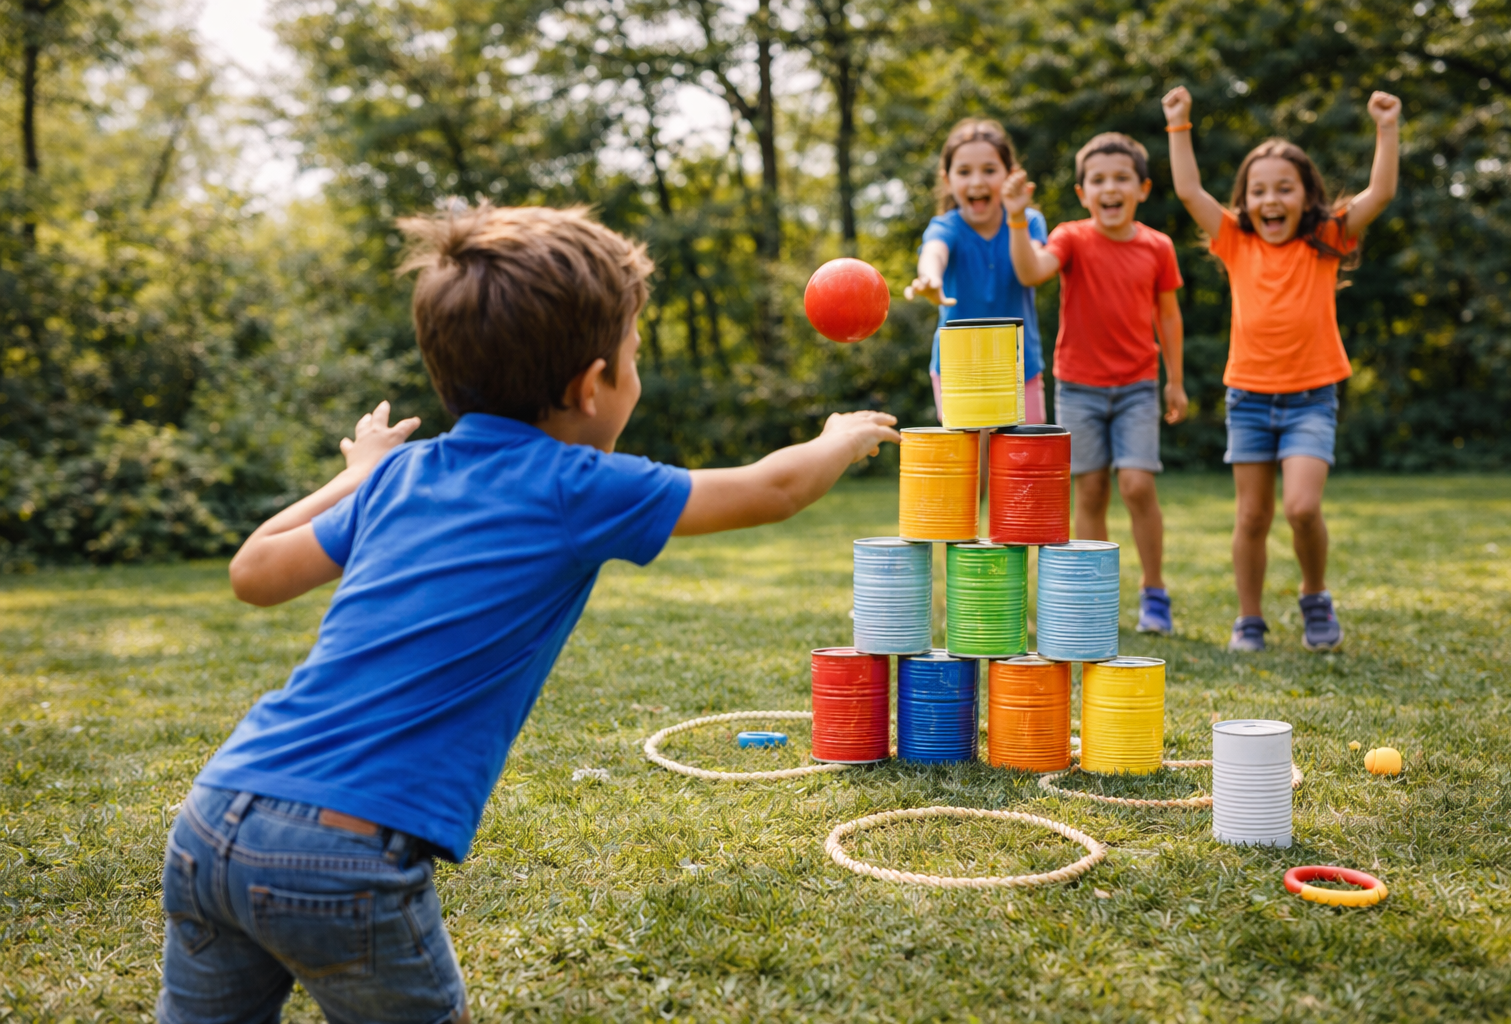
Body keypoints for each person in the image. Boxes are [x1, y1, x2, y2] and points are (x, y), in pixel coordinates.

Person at [156, 204, 900, 1022]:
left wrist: (359, 474)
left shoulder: (399, 478)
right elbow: (773, 488)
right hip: (345, 852)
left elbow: (253, 571)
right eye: (634, 358)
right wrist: (838, 438)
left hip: (215, 814)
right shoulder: (573, 486)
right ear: (590, 386)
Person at [1161, 85, 1401, 653]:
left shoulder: (1327, 237)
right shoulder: (1234, 241)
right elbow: (1189, 190)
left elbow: (1381, 192)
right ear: (1246, 201)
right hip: (1248, 398)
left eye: (1284, 188)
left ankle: (1314, 594)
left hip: (1311, 398)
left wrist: (1387, 127)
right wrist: (1178, 124)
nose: (1271, 199)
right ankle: (1249, 619)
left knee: (1302, 507)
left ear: (1306, 196)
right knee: (1251, 517)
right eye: (1259, 190)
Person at [1007, 133, 1188, 636]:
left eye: (1122, 178)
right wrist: (1018, 219)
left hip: (1137, 386)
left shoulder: (1158, 246)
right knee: (1089, 492)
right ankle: (1092, 597)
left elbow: (1169, 317)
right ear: (1082, 193)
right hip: (1079, 387)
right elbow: (1031, 271)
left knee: (1137, 485)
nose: (1111, 188)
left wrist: (1175, 381)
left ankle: (1155, 592)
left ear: (1143, 189)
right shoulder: (1070, 237)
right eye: (1099, 180)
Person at [904, 118, 1050, 424]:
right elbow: (934, 252)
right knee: (969, 456)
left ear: (1010, 175)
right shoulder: (946, 226)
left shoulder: (1029, 221)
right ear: (947, 180)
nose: (977, 182)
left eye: (989, 170)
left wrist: (1016, 217)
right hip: (958, 372)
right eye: (964, 172)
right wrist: (930, 278)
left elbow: (1031, 272)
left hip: (1020, 370)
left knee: (1024, 454)